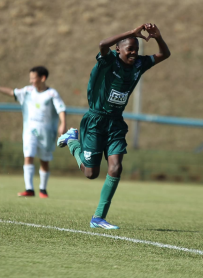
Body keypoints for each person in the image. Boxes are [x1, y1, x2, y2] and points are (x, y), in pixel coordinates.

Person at [57, 23, 171, 229]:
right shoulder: (108, 61)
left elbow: (165, 54)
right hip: (95, 120)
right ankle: (73, 141)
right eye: (130, 49)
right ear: (118, 49)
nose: (135, 53)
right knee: (91, 174)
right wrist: (131, 32)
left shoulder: (139, 64)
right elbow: (102, 44)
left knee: (116, 167)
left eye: (137, 49)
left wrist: (158, 37)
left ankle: (98, 218)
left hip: (116, 123)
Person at [0, 66, 66, 198]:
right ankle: (29, 189)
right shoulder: (28, 91)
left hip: (46, 133)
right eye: (30, 78)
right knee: (28, 155)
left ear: (42, 78)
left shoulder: (52, 94)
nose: (31, 81)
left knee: (44, 160)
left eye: (33, 78)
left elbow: (61, 109)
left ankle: (43, 189)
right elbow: (12, 92)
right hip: (30, 131)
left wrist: (63, 124)